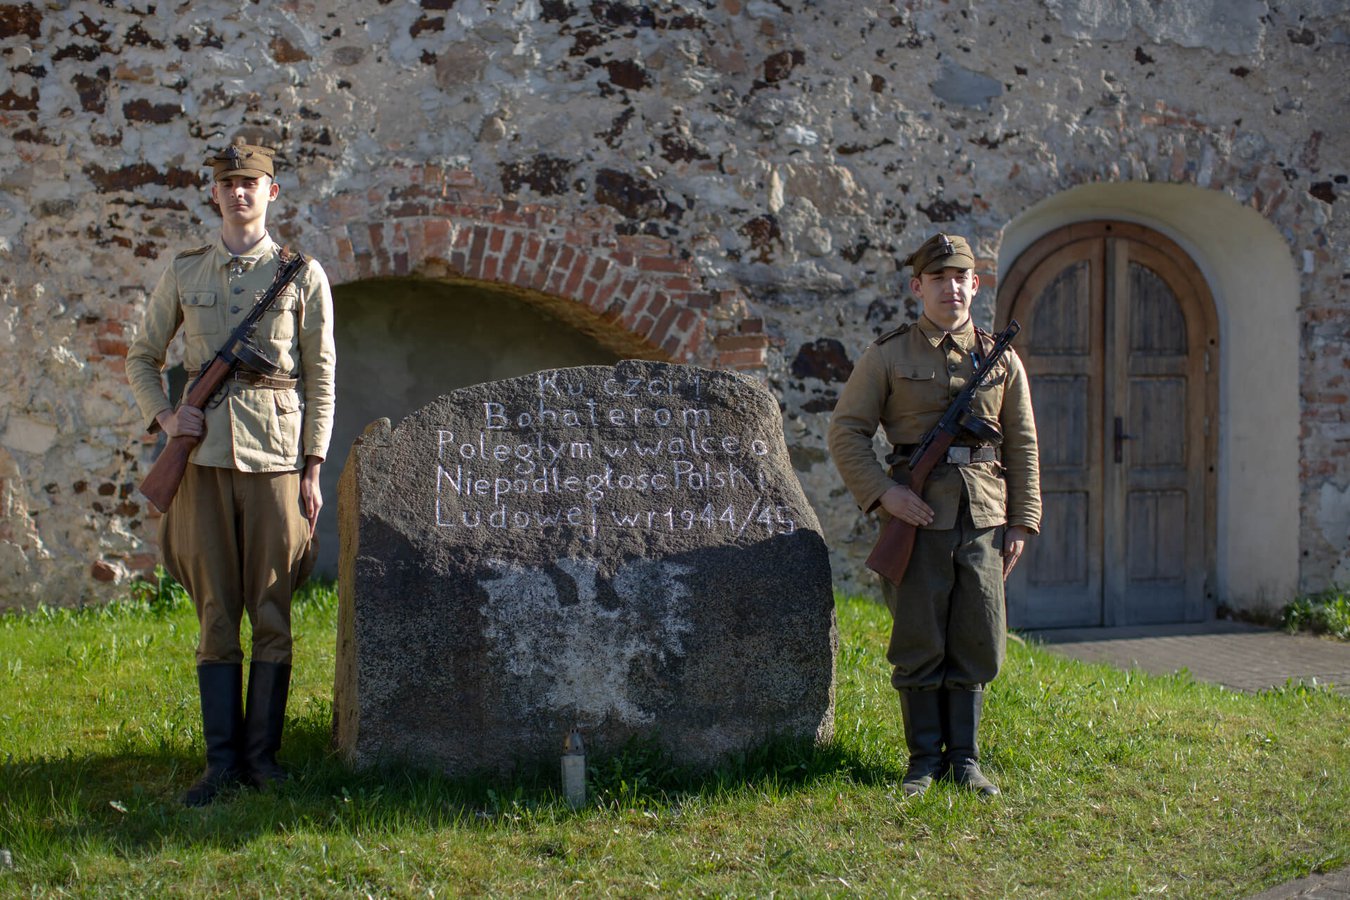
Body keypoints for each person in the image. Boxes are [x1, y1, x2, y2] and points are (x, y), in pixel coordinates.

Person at [126, 139, 336, 806]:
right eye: (228, 183)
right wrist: (167, 419)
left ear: (271, 192)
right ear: (213, 193)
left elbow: (321, 379)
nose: (239, 192)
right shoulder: (186, 270)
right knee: (217, 614)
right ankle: (220, 766)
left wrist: (312, 468)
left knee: (272, 609)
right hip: (204, 463)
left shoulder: (302, 275)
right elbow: (141, 356)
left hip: (276, 463)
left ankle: (263, 761)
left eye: (251, 182)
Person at [827, 232, 1040, 797]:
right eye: (938, 278)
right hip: (915, 518)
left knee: (979, 636)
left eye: (960, 278)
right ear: (917, 286)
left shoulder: (1000, 358)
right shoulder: (888, 354)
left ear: (976, 285)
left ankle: (964, 760)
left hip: (983, 518)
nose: (951, 288)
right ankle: (923, 761)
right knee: (919, 636)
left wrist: (1022, 520)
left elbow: (1022, 444)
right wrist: (883, 494)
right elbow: (847, 431)